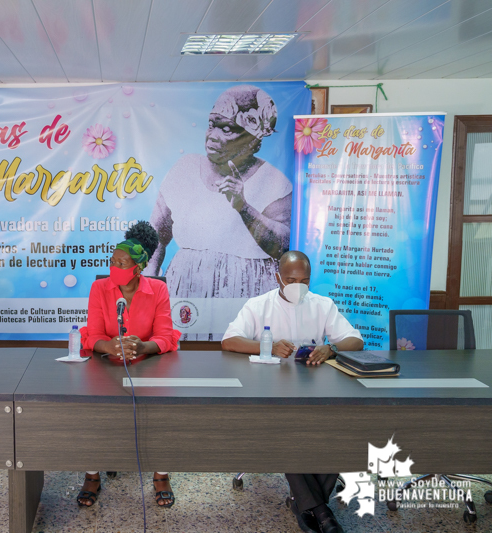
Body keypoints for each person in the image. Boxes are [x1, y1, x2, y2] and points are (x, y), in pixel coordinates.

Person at [221, 251, 364, 533]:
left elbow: (355, 340)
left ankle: (305, 504)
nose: (298, 286)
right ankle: (321, 512)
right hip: (271, 395)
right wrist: (269, 346)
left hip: (316, 394)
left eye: (304, 280)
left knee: (336, 429)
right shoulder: (258, 305)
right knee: (288, 431)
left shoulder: (322, 304)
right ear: (278, 279)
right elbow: (229, 341)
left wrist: (331, 348)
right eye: (290, 280)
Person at [145, 85, 291, 340]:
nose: (213, 135)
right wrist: (149, 285)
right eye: (212, 124)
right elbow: (155, 236)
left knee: (240, 367)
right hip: (185, 292)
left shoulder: (274, 180)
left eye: (227, 129)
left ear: (253, 139)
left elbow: (281, 247)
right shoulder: (185, 168)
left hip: (247, 294)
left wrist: (242, 207)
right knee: (183, 367)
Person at [77, 221, 181, 508]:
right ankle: (92, 473)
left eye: (121, 263)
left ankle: (161, 475)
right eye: (112, 261)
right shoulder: (100, 288)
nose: (115, 267)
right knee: (94, 414)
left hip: (148, 365)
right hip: (107, 364)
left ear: (138, 267)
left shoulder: (157, 290)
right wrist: (110, 346)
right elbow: (94, 334)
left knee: (161, 415)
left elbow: (164, 336)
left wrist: (140, 347)